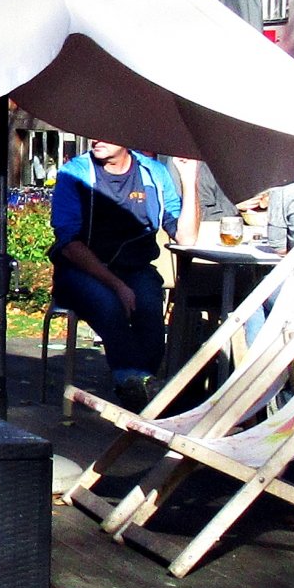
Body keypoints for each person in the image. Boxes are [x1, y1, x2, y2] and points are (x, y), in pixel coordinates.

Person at [50, 141, 200, 403]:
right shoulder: (74, 174)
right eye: (91, 133)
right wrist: (117, 285)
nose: (96, 139)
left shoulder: (153, 173)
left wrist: (189, 179)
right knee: (108, 304)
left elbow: (186, 238)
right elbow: (69, 244)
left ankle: (139, 386)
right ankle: (139, 385)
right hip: (80, 271)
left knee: (149, 307)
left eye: (105, 134)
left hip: (135, 268)